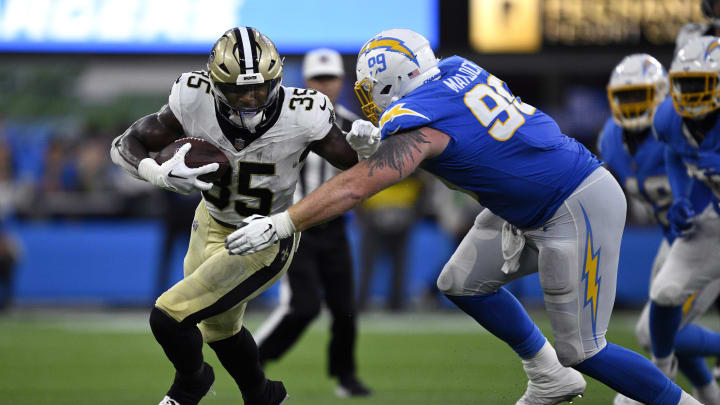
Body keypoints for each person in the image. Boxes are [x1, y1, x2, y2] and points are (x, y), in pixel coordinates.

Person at [225, 28, 702, 405]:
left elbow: (357, 185)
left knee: (584, 350)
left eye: (373, 89)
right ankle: (547, 375)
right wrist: (384, 139)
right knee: (460, 282)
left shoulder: (420, 120)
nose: (369, 98)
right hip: (525, 203)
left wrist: (283, 221)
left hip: (573, 204)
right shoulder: (457, 68)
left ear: (392, 83)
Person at [110, 27, 358, 405]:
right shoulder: (193, 97)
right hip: (208, 219)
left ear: (277, 78)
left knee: (169, 315)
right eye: (238, 90)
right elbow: (126, 144)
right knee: (219, 329)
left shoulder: (305, 112)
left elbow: (356, 167)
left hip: (264, 236)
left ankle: (190, 383)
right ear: (213, 84)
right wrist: (156, 172)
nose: (250, 99)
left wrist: (371, 145)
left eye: (260, 88)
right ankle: (263, 395)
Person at [600, 53, 720, 405]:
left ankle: (664, 382)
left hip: (704, 231)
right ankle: (706, 393)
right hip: (674, 238)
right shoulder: (611, 138)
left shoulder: (684, 124)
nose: (631, 105)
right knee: (660, 326)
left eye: (640, 95)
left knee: (654, 331)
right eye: (625, 96)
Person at [253, 48, 371, 398]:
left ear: (341, 81)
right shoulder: (284, 121)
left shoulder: (352, 124)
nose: (324, 85)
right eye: (318, 78)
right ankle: (254, 358)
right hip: (296, 224)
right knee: (303, 306)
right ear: (305, 81)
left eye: (329, 78)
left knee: (345, 309)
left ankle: (345, 376)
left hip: (334, 226)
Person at [648, 34, 720, 393]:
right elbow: (674, 152)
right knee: (665, 293)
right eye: (684, 83)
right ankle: (660, 374)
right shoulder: (668, 118)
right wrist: (680, 197)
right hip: (715, 225)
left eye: (700, 83)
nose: (691, 92)